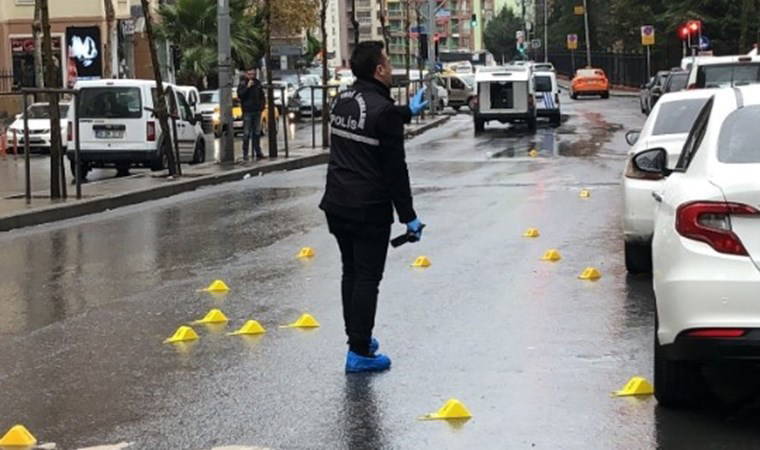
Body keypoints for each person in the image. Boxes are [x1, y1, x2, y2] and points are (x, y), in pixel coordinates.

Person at [319, 41, 428, 373]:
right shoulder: (383, 112)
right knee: (367, 278)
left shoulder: (342, 100)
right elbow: (395, 171)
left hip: (337, 203)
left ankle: (357, 337)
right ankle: (359, 352)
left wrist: (407, 113)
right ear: (379, 70)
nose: (391, 69)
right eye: (389, 63)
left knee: (351, 272)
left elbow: (371, 119)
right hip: (368, 209)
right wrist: (409, 217)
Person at [236, 68, 266, 160]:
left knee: (257, 132)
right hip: (247, 111)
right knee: (246, 133)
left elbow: (262, 96)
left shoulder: (257, 83)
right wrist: (247, 87)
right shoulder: (243, 84)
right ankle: (245, 154)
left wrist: (261, 107)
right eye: (250, 74)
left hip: (257, 110)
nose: (251, 76)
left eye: (253, 74)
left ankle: (258, 152)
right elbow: (240, 95)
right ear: (246, 74)